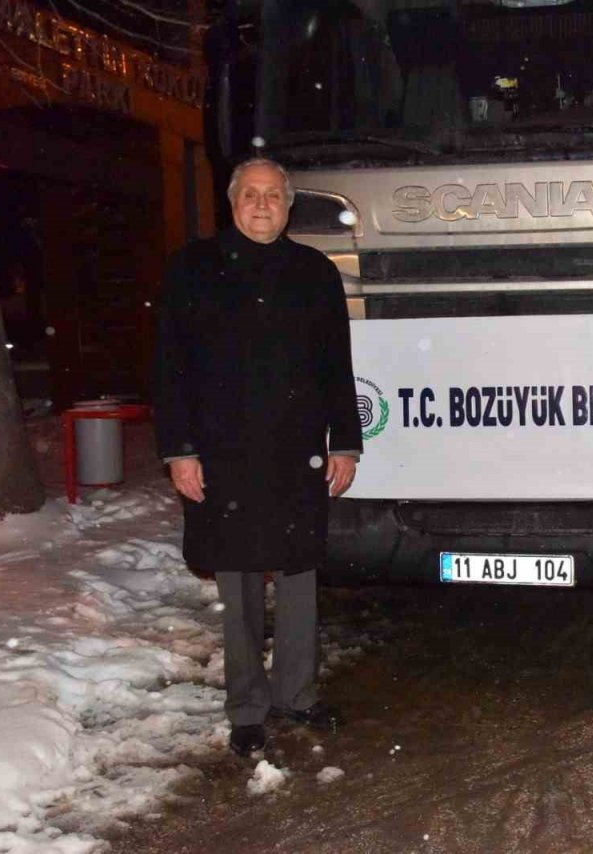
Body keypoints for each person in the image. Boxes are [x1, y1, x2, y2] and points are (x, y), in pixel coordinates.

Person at [154, 158, 363, 757]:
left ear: (289, 205)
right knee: (239, 577)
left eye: (274, 195)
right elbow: (171, 369)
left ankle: (297, 694)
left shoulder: (314, 272)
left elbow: (335, 367)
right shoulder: (192, 269)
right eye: (252, 194)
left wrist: (344, 443)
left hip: (297, 454)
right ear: (233, 201)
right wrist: (180, 451)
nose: (263, 204)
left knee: (299, 574)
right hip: (223, 455)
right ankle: (246, 706)